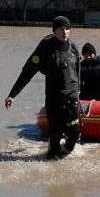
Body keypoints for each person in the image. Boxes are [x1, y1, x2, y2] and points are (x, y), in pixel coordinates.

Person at [4, 16, 80, 160]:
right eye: (61, 29)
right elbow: (28, 71)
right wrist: (12, 95)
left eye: (67, 29)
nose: (65, 32)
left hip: (71, 98)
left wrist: (79, 92)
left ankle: (66, 150)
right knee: (56, 136)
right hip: (54, 99)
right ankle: (53, 158)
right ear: (54, 31)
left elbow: (78, 71)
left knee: (75, 132)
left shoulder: (73, 48)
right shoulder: (46, 48)